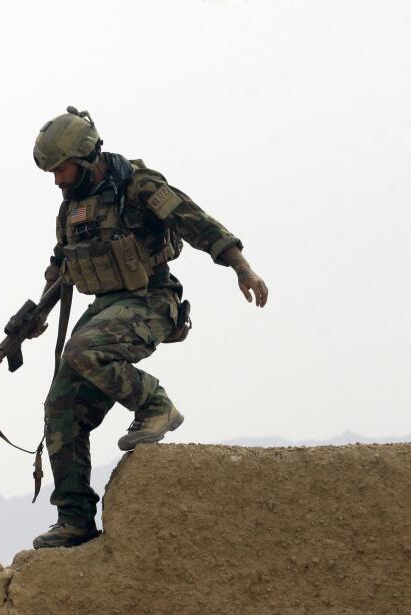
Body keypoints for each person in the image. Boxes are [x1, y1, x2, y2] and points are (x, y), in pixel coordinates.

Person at [29, 107, 268, 549]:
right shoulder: (72, 209)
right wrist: (37, 316)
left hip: (154, 300)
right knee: (60, 404)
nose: (57, 180)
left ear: (83, 158)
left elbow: (195, 222)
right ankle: (75, 518)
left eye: (61, 169)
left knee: (83, 349)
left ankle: (157, 405)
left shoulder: (137, 187)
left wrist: (240, 267)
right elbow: (62, 264)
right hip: (106, 307)